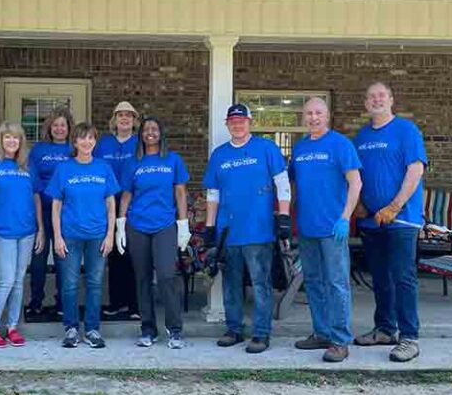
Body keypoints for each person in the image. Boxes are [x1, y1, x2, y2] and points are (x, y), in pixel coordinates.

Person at [203, 103, 291, 354]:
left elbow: (282, 183)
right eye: (233, 121)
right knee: (230, 283)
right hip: (228, 231)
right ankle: (234, 329)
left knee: (260, 282)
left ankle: (261, 333)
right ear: (227, 124)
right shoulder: (219, 154)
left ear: (249, 123)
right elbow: (213, 193)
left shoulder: (266, 148)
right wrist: (210, 228)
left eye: (241, 121)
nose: (237, 125)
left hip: (258, 229)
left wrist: (283, 216)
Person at [352, 82, 427, 363]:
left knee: (402, 277)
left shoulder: (407, 130)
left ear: (392, 100)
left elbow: (415, 169)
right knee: (380, 278)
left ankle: (409, 337)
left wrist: (395, 206)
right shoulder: (361, 137)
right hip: (372, 222)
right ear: (366, 104)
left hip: (402, 220)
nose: (376, 100)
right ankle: (385, 329)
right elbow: (355, 175)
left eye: (381, 95)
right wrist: (359, 204)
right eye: (371, 96)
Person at [289, 97, 362, 363]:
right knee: (313, 283)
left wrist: (345, 217)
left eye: (318, 112)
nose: (313, 117)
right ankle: (321, 332)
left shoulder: (341, 144)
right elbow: (295, 187)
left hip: (333, 229)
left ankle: (340, 340)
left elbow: (356, 183)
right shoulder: (299, 148)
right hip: (307, 228)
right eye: (308, 113)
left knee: (337, 284)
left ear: (327, 115)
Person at [117, 117, 190, 349]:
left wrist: (183, 223)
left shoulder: (172, 160)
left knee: (168, 276)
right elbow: (126, 195)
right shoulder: (133, 162)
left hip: (165, 225)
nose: (150, 133)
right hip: (137, 225)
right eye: (146, 129)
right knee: (143, 278)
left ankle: (174, 329)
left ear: (161, 133)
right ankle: (148, 329)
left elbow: (180, 193)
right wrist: (120, 223)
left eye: (155, 129)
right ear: (141, 134)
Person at [46, 122, 120, 349]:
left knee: (95, 283)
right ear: (75, 142)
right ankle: (70, 328)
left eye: (91, 138)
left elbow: (110, 203)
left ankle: (92, 329)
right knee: (69, 283)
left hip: (97, 234)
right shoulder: (64, 169)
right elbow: (56, 205)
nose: (87, 142)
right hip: (70, 235)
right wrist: (57, 237)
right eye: (82, 138)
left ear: (95, 142)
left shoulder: (103, 168)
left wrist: (110, 234)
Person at [0, 122, 45, 348]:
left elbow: (36, 198)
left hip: (26, 231)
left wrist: (40, 229)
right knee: (5, 281)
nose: (12, 142)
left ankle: (13, 327)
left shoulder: (27, 165)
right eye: (7, 137)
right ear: (0, 139)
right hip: (2, 232)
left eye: (16, 138)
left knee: (18, 281)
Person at [26, 107, 74, 317]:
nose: (59, 129)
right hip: (42, 211)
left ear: (69, 127)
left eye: (63, 125)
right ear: (49, 128)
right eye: (55, 125)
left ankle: (63, 301)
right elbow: (33, 181)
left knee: (64, 257)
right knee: (39, 257)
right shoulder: (38, 150)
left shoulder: (75, 149)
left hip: (68, 212)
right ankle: (36, 300)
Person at [94, 101, 140, 319]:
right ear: (114, 119)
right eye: (120, 115)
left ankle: (134, 305)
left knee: (134, 255)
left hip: (134, 205)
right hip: (108, 205)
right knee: (113, 255)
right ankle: (116, 302)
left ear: (134, 120)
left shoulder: (139, 143)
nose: (124, 119)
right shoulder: (103, 144)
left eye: (128, 116)